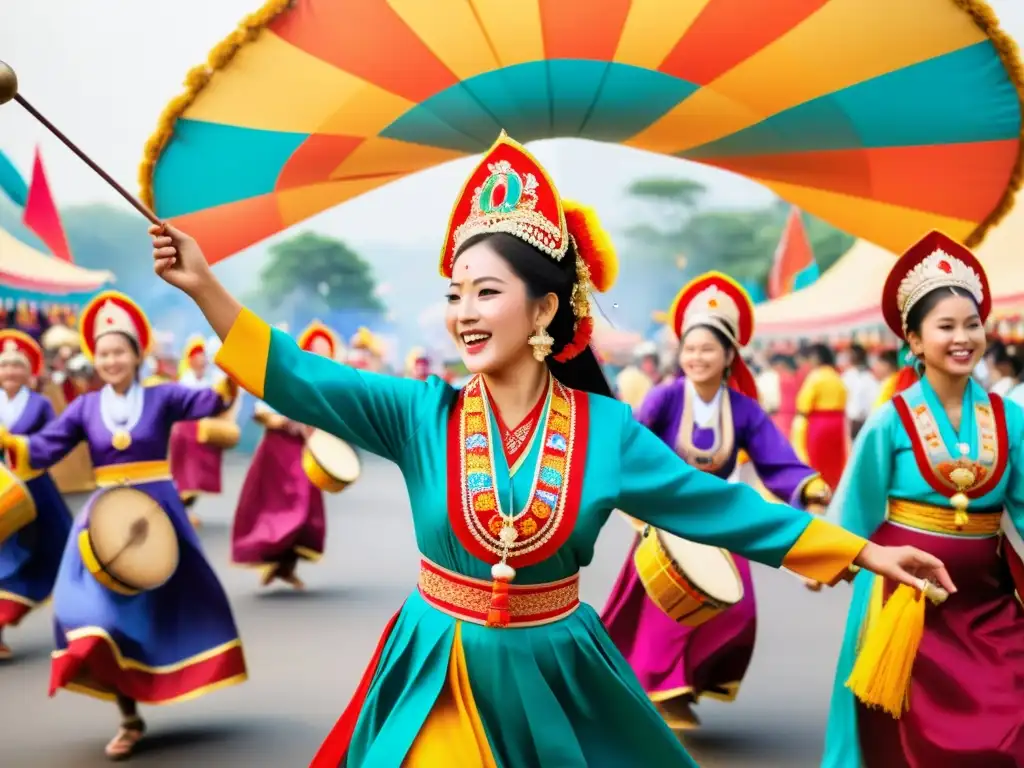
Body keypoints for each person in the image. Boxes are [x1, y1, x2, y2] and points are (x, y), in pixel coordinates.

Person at [151, 131, 952, 768]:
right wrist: (206, 289)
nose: (463, 311)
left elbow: (720, 508)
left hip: (558, 668)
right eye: (455, 293)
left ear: (543, 311)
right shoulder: (419, 412)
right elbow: (299, 379)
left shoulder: (607, 431)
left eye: (485, 291)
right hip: (442, 668)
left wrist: (861, 555)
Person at [0, 290, 247, 760]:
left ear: (137, 354)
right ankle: (128, 716)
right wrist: (8, 440)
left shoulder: (163, 396)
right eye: (104, 353)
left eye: (120, 351)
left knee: (155, 616)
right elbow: (42, 449)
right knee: (90, 617)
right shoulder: (83, 408)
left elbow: (209, 403)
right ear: (96, 358)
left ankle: (144, 701)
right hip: (102, 520)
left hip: (158, 520)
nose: (111, 360)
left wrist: (229, 370)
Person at [820, 231, 1024, 767]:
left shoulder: (1012, 419)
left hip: (986, 598)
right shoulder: (890, 419)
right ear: (913, 339)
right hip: (903, 598)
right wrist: (827, 560)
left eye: (972, 324)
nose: (963, 337)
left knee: (1006, 709)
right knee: (898, 733)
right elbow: (856, 506)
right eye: (946, 326)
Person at [601, 272, 832, 729]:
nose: (696, 357)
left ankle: (686, 684)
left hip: (723, 524)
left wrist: (806, 486)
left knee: (736, 611)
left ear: (729, 355)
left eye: (708, 349)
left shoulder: (743, 408)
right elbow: (633, 446)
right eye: (689, 348)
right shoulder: (665, 398)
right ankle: (665, 693)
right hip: (667, 524)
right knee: (662, 617)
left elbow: (774, 455)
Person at [231, 321, 339, 590]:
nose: (320, 358)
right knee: (273, 507)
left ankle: (286, 566)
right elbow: (259, 411)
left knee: (303, 510)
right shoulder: (285, 376)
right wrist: (281, 422)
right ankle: (274, 561)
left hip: (307, 452)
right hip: (277, 450)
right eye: (315, 352)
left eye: (325, 354)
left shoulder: (331, 385)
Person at [0, 330, 73, 660]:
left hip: (36, 487)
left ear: (29, 371)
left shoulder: (41, 404)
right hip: (2, 491)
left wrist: (21, 447)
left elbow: (54, 440)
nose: (11, 372)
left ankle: (79, 621)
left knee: (61, 548)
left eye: (18, 366)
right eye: (5, 366)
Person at [169, 335, 231, 527]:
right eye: (198, 356)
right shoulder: (184, 383)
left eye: (203, 356)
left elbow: (221, 403)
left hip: (201, 434)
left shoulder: (210, 382)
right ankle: (178, 512)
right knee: (185, 476)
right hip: (185, 434)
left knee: (197, 477)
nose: (202, 360)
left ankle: (183, 511)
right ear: (191, 360)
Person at [792, 342, 848, 487]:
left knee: (817, 458)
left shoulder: (816, 376)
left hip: (819, 422)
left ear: (816, 358)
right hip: (838, 422)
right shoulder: (837, 375)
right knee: (835, 460)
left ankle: (818, 490)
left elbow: (803, 402)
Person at [841, 344, 879, 439]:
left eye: (852, 354)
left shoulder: (871, 376)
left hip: (868, 420)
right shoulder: (847, 376)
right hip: (850, 421)